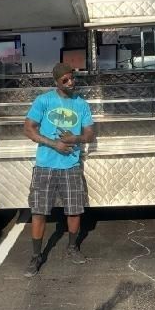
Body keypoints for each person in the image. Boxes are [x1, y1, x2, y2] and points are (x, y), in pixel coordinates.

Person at [22, 63, 95, 277]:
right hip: (45, 165)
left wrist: (75, 138)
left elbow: (89, 134)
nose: (70, 82)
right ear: (56, 82)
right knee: (39, 211)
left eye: (72, 78)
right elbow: (28, 129)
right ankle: (36, 256)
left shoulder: (81, 104)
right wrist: (55, 144)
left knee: (74, 209)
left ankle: (72, 247)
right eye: (65, 80)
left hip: (71, 165)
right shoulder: (43, 101)